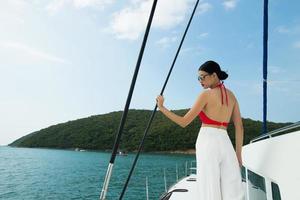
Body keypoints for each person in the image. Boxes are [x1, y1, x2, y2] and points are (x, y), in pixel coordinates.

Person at [156, 60, 245, 200]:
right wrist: (238, 154)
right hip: (226, 141)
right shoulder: (232, 96)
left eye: (203, 77)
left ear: (214, 75)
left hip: (208, 140)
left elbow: (183, 122)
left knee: (209, 185)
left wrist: (162, 107)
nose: (200, 81)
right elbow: (239, 126)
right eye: (199, 78)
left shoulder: (206, 95)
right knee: (232, 186)